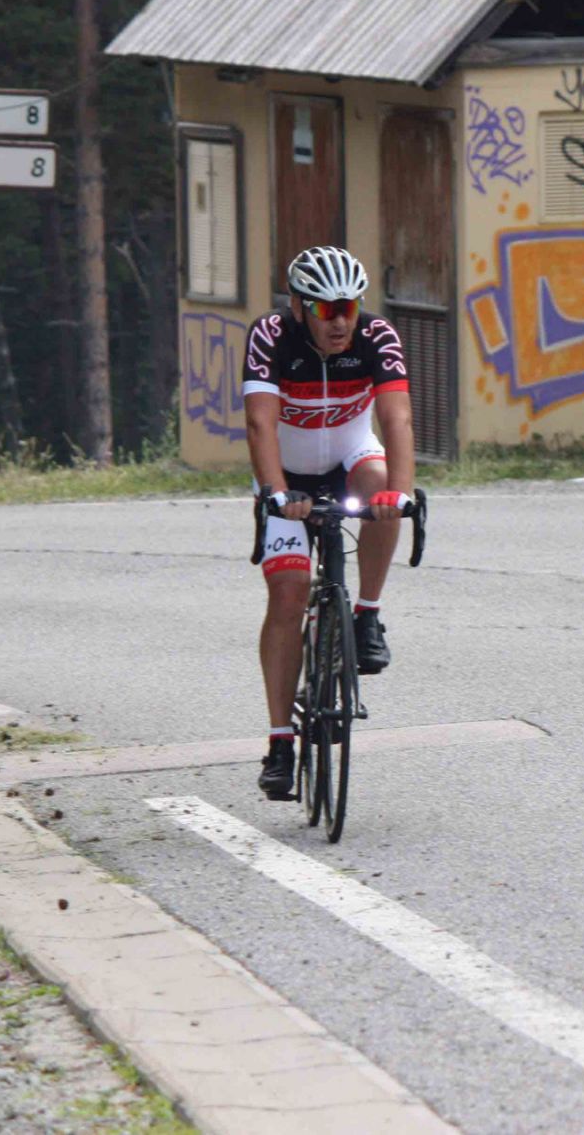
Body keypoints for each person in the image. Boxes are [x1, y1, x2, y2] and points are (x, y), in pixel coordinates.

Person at [243, 245, 415, 799]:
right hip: (286, 475)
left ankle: (367, 615)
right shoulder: (271, 336)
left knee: (381, 486)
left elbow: (396, 418)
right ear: (299, 307)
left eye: (349, 307)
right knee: (289, 594)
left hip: (349, 457)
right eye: (326, 309)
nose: (340, 321)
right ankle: (280, 744)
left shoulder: (377, 336)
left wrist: (401, 495)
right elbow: (260, 424)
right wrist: (276, 494)